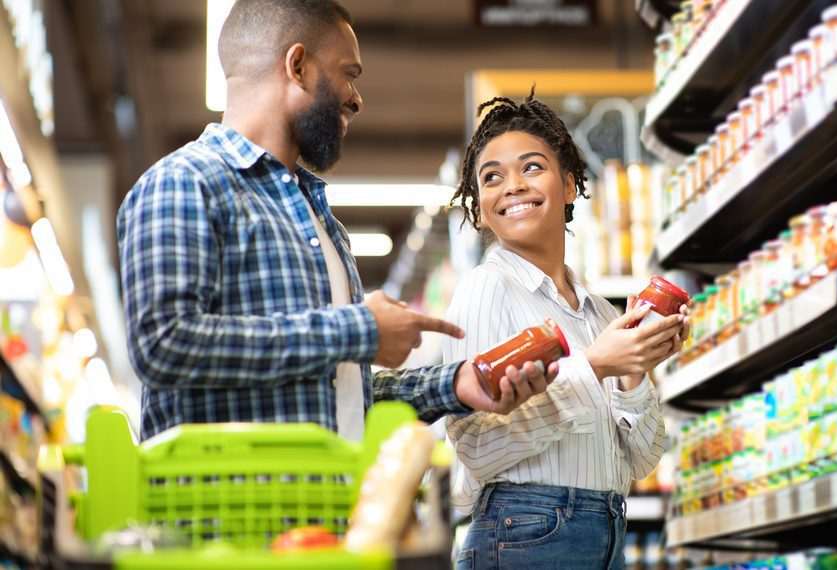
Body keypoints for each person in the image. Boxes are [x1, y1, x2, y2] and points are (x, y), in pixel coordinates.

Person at [116, 0, 556, 442]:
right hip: (224, 507)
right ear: (299, 66)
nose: (356, 97)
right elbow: (163, 344)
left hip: (326, 504)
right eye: (349, 73)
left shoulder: (321, 221)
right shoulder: (183, 183)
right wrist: (358, 328)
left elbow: (341, 394)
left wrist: (456, 384)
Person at [444, 92, 689, 569]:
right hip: (524, 534)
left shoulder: (597, 311)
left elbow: (641, 461)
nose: (511, 186)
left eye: (531, 168)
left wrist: (636, 370)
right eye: (491, 177)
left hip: (605, 533)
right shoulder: (486, 290)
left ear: (570, 186)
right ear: (480, 205)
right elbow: (476, 445)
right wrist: (596, 366)